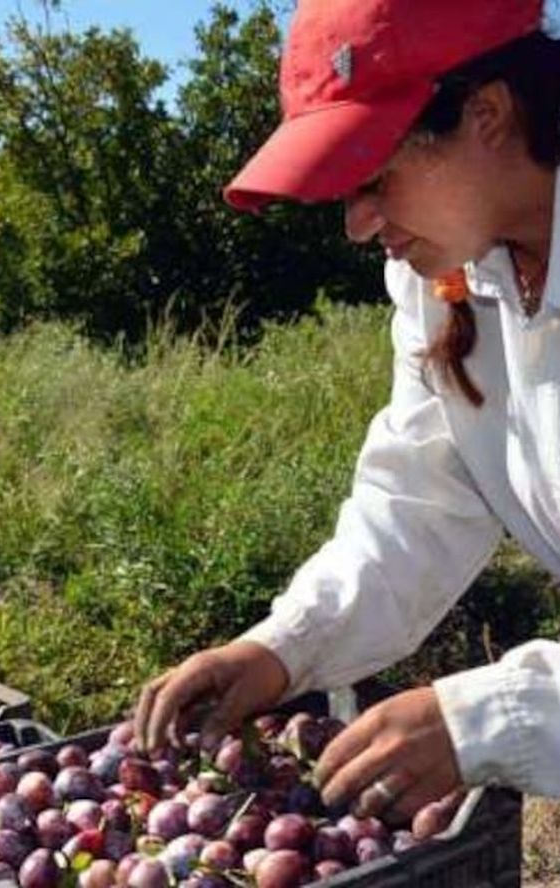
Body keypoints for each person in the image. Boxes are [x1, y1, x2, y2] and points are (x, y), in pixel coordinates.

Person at [135, 0, 560, 820]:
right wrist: (279, 648)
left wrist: (494, 717)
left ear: (488, 115)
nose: (359, 224)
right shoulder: (448, 283)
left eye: (374, 177)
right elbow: (419, 501)